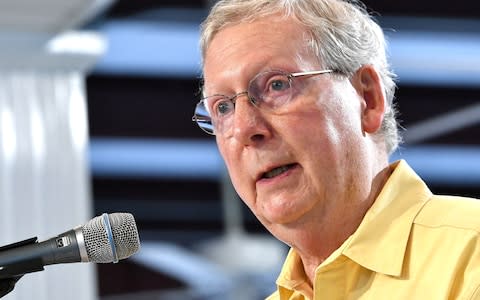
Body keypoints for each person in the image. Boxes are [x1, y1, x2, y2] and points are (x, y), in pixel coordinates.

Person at [191, 0, 480, 299]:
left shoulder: (471, 257)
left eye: (277, 86)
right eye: (223, 107)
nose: (243, 129)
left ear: (367, 98)